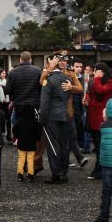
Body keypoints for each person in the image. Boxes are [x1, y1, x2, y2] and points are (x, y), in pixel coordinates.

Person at [39, 53, 73, 184]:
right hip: (64, 114)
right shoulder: (67, 78)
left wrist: (42, 118)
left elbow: (44, 102)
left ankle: (56, 174)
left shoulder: (49, 79)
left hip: (51, 116)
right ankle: (64, 172)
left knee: (53, 145)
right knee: (64, 144)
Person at [7, 52, 43, 174]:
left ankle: (22, 166)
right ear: (31, 59)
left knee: (20, 134)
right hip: (34, 107)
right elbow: (41, 88)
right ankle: (35, 164)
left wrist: (14, 97)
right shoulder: (37, 71)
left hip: (19, 106)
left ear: (20, 59)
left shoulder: (12, 72)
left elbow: (8, 90)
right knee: (35, 135)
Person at [85, 63, 112, 180]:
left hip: (102, 117)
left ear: (102, 72)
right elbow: (92, 92)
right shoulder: (95, 81)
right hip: (93, 116)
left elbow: (100, 91)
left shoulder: (111, 82)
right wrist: (87, 98)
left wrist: (97, 78)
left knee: (101, 146)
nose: (95, 73)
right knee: (97, 145)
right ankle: (99, 169)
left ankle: (101, 170)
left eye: (97, 71)